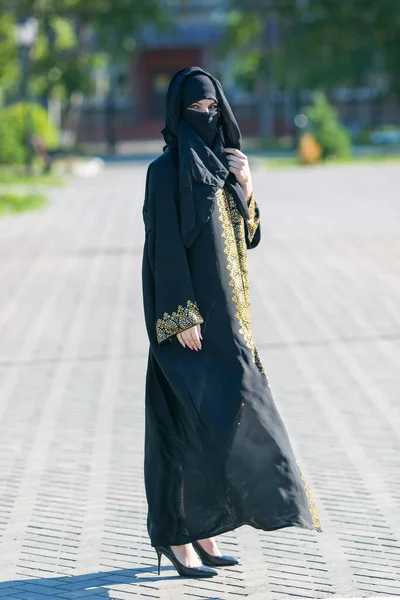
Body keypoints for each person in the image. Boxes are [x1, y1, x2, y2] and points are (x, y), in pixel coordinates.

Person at [141, 67, 322, 579]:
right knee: (185, 425)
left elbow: (250, 237)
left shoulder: (223, 167)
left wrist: (246, 186)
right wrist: (180, 318)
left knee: (221, 423)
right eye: (196, 109)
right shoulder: (165, 171)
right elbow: (165, 252)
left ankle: (203, 532)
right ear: (179, 112)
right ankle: (180, 540)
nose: (206, 116)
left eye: (213, 108)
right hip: (190, 325)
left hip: (232, 321)